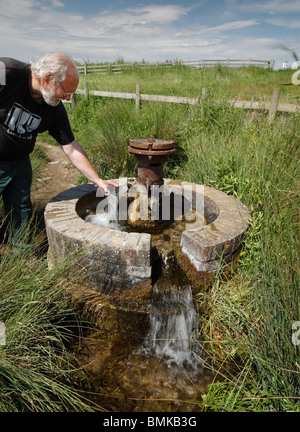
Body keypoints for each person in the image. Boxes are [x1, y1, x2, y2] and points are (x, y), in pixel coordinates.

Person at [0, 53, 114, 246]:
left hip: (20, 164)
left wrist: (96, 179)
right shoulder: (6, 71)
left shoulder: (54, 109)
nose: (68, 98)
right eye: (65, 91)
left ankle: (20, 255)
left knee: (21, 210)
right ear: (48, 78)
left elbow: (71, 146)